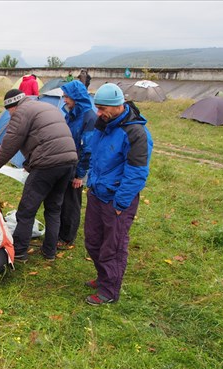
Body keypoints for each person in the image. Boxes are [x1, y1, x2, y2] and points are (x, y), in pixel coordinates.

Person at [0, 89, 77, 261]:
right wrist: (29, 165)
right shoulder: (44, 106)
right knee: (54, 209)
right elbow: (44, 138)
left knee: (26, 211)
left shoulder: (21, 113)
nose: (9, 115)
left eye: (8, 112)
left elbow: (9, 145)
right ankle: (49, 252)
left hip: (47, 165)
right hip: (69, 162)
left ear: (12, 107)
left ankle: (19, 252)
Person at [83, 83, 153, 305]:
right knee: (93, 241)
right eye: (97, 108)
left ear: (118, 106)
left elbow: (137, 172)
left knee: (112, 247)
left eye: (103, 108)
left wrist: (120, 203)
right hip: (97, 193)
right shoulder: (103, 125)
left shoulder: (135, 133)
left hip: (116, 199)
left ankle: (109, 290)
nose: (98, 113)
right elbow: (94, 155)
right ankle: (103, 276)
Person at [56, 80, 96, 250]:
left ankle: (67, 237)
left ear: (76, 97)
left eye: (67, 97)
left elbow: (88, 148)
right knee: (62, 200)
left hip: (77, 165)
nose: (64, 100)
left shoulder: (89, 117)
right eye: (64, 96)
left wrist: (80, 174)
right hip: (66, 162)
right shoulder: (71, 113)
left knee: (71, 202)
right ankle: (59, 231)